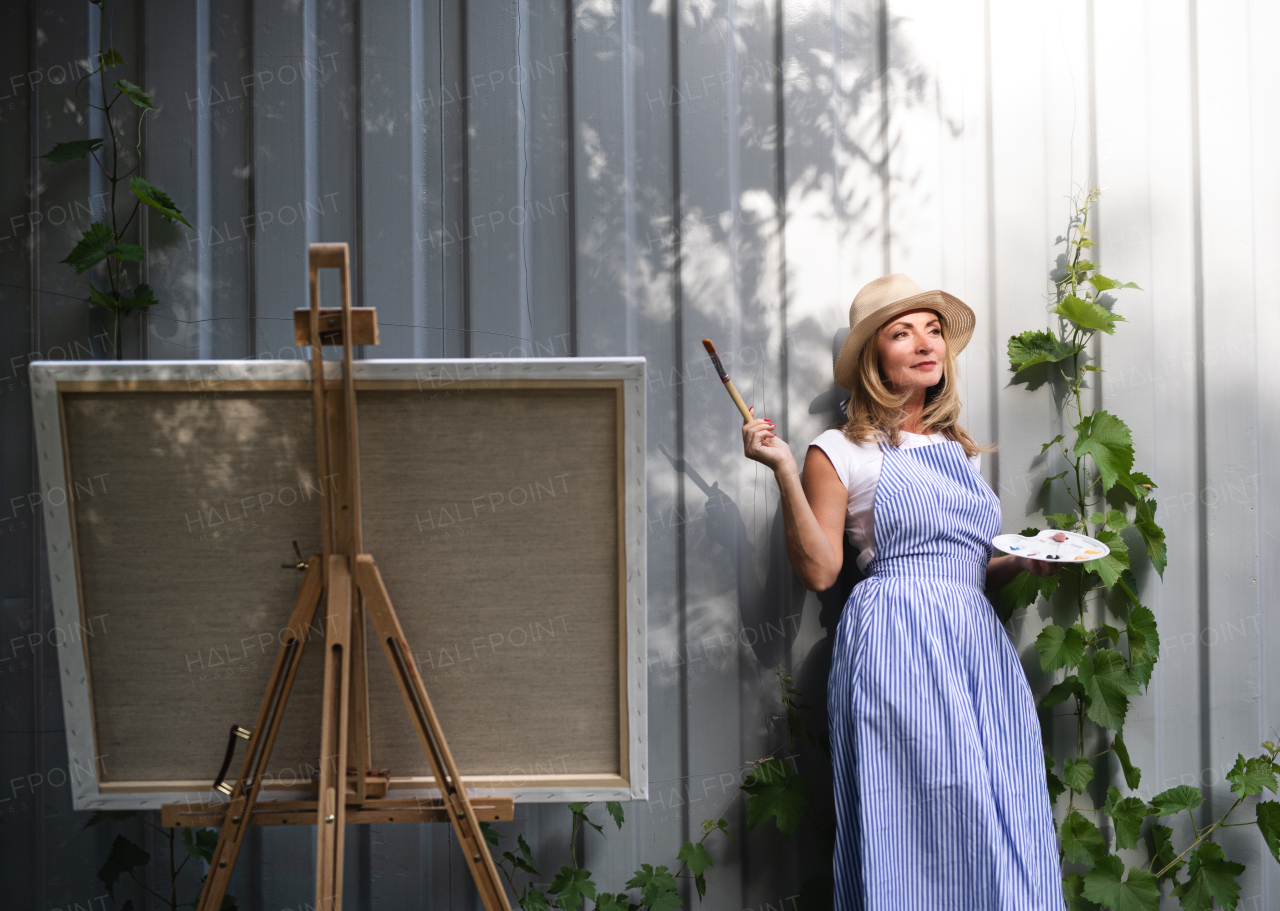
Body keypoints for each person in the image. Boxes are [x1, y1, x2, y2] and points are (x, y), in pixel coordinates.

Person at [741, 274, 1064, 909]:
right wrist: (784, 470)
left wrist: (1022, 561)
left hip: (976, 652)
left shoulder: (957, 452)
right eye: (901, 332)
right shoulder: (840, 450)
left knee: (1005, 809)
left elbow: (966, 568)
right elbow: (820, 571)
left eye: (933, 329)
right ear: (873, 358)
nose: (925, 342)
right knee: (915, 818)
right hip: (898, 645)